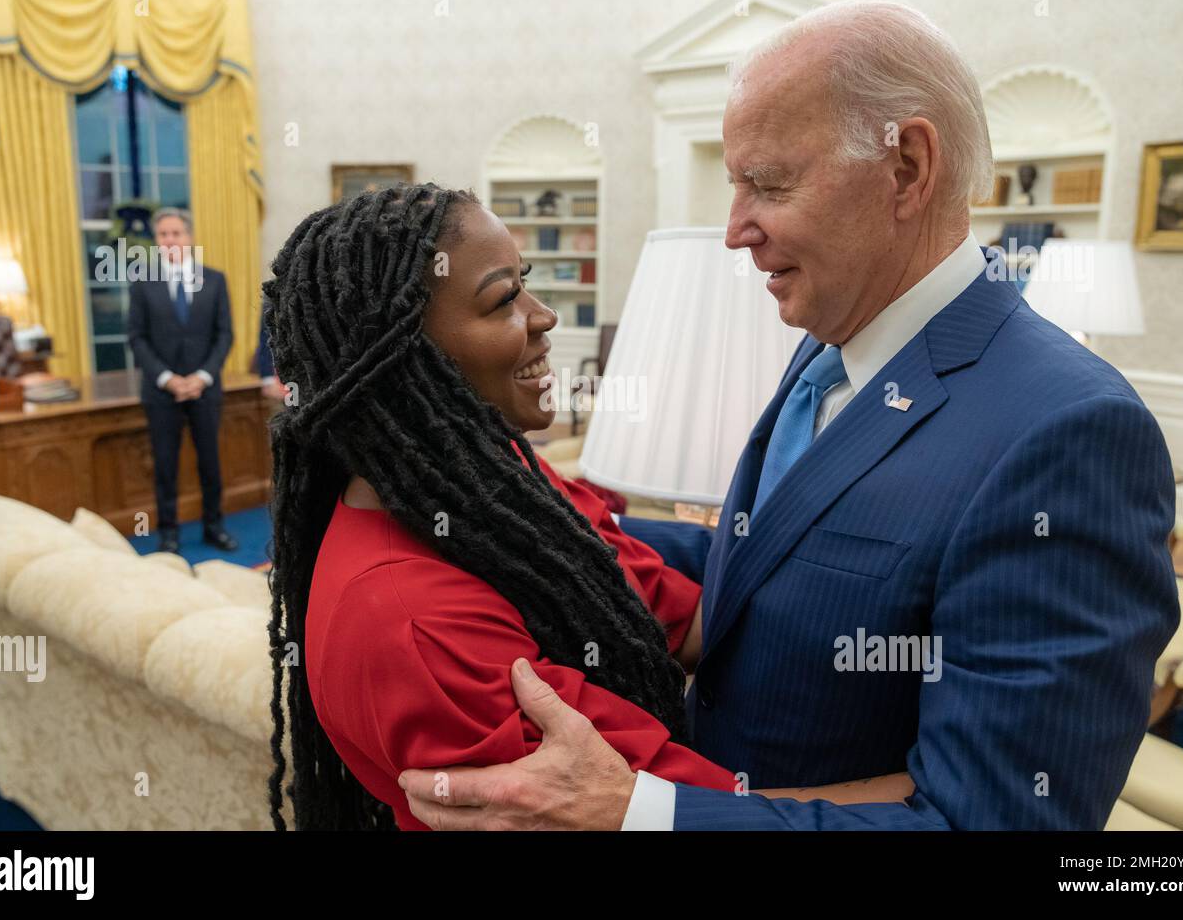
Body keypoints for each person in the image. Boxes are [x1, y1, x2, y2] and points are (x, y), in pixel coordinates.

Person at [397, 0, 1180, 830]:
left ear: (907, 167)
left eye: (767, 185)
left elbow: (990, 819)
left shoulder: (1072, 433)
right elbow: (771, 561)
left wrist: (642, 815)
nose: (736, 232)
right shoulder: (831, 340)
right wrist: (529, 514)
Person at [262, 183, 913, 831]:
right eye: (502, 302)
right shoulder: (413, 625)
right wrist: (939, 797)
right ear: (407, 370)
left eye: (527, 282)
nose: (543, 316)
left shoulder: (501, 484)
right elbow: (694, 815)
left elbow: (684, 622)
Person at [127, 207, 238, 554]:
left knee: (210, 463)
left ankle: (213, 526)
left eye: (176, 233)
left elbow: (225, 335)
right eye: (163, 235)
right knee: (165, 465)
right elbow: (137, 338)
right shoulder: (143, 283)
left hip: (205, 390)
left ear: (189, 238)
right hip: (162, 393)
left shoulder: (215, 279)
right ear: (157, 241)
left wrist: (202, 377)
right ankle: (169, 533)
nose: (170, 240)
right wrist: (167, 378)